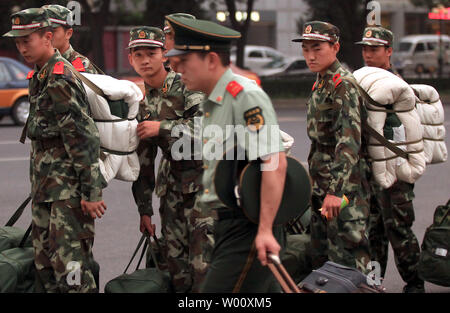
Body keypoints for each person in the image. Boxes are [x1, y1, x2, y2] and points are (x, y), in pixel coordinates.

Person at [165, 15, 288, 292]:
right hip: (227, 226)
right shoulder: (212, 100)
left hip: (248, 226)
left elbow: (274, 163)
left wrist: (265, 230)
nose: (177, 68)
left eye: (185, 62)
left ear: (211, 60)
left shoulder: (244, 95)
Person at [3, 8, 106, 292]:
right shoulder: (41, 74)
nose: (22, 47)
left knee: (72, 271)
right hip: (46, 188)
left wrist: (90, 193)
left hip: (67, 193)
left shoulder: (60, 76)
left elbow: (82, 136)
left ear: (48, 37)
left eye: (28, 40)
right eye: (18, 42)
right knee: (46, 266)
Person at [128, 26, 211, 293]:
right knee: (175, 267)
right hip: (173, 190)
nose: (144, 60)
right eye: (137, 54)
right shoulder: (141, 103)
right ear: (130, 59)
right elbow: (143, 160)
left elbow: (207, 129)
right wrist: (144, 209)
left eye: (151, 52)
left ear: (164, 54)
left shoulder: (187, 85)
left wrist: (161, 127)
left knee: (203, 266)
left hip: (204, 186)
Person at [292, 21, 371, 274]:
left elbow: (349, 142)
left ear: (335, 47)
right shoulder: (320, 84)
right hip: (321, 189)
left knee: (347, 260)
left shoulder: (342, 85)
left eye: (317, 48)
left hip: (343, 193)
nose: (310, 55)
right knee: (321, 259)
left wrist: (336, 192)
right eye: (305, 49)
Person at [356, 26, 425, 293]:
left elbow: (406, 131)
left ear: (389, 51)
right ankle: (374, 283)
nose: (368, 54)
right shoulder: (362, 82)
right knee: (373, 232)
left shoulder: (396, 87)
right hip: (370, 168)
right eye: (365, 49)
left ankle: (415, 283)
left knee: (398, 228)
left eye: (374, 49)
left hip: (395, 168)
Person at [42, 4, 103, 74]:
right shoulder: (42, 63)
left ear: (68, 34)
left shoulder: (80, 67)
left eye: (52, 31)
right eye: (42, 31)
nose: (47, 36)